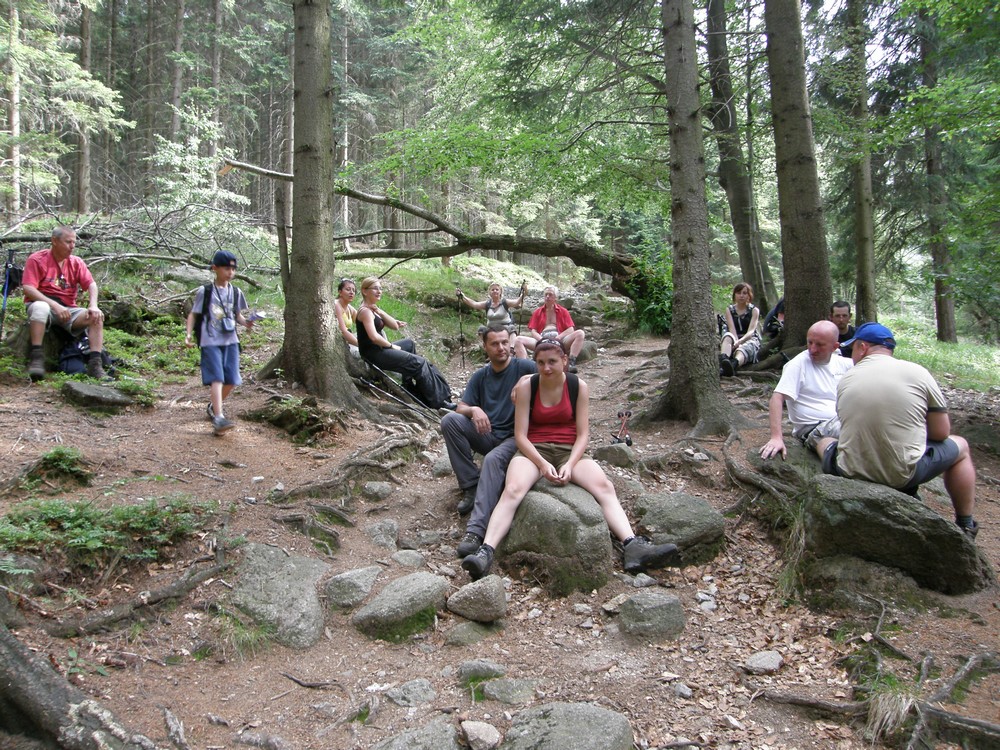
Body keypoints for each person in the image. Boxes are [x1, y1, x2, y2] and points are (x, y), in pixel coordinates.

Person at [461, 337, 682, 580]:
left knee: (604, 486)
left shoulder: (578, 386)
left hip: (569, 449)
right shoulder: (527, 387)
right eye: (541, 362)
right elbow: (520, 436)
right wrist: (543, 464)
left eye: (552, 362)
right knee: (513, 489)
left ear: (564, 360)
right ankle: (486, 552)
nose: (546, 368)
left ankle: (631, 545)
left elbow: (583, 434)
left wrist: (569, 464)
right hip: (534, 450)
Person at [816, 322, 979, 539]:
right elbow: (941, 433)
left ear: (862, 347)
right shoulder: (918, 373)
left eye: (852, 348)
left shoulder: (847, 378)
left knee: (824, 441)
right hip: (903, 475)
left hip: (848, 470)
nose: (851, 355)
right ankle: (965, 524)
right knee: (962, 447)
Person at [441, 327, 537, 542]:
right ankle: (470, 485)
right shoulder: (480, 376)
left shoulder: (524, 367)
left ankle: (477, 531)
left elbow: (553, 374)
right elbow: (461, 407)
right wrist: (474, 409)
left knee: (492, 460)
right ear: (485, 347)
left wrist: (525, 379)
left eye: (504, 342)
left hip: (516, 438)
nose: (501, 348)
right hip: (487, 434)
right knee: (450, 421)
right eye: (494, 344)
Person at [355, 277, 455, 410]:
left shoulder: (372, 309)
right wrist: (391, 346)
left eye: (380, 288)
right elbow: (374, 337)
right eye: (375, 288)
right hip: (374, 354)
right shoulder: (365, 312)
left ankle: (408, 386)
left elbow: (394, 326)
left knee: (409, 344)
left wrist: (379, 311)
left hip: (380, 349)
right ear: (364, 291)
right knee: (419, 363)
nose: (379, 291)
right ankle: (439, 403)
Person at [21, 226, 108, 380]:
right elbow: (28, 288)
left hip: (68, 309)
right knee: (41, 308)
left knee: (95, 316)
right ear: (54, 241)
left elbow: (91, 284)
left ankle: (95, 364)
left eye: (74, 242)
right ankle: (37, 357)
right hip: (42, 304)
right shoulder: (37, 259)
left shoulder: (76, 262)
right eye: (68, 242)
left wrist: (93, 305)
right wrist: (54, 305)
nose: (72, 246)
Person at [184, 250, 255, 436]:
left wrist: (247, 323)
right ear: (215, 268)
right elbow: (193, 314)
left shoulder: (236, 292)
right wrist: (188, 335)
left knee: (232, 379)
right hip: (210, 340)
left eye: (233, 269)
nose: (230, 272)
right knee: (217, 377)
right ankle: (219, 417)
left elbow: (237, 315)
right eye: (226, 268)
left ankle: (213, 407)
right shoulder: (205, 291)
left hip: (231, 340)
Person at [759, 321, 852, 460]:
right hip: (814, 427)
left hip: (840, 420)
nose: (812, 349)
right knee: (861, 431)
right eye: (810, 342)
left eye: (820, 345)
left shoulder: (845, 364)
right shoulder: (798, 364)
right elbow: (777, 398)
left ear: (835, 347)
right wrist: (776, 437)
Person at [519, 285, 586, 373]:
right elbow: (533, 331)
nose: (547, 297)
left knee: (580, 333)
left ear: (556, 298)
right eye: (546, 294)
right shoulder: (537, 312)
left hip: (560, 340)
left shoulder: (563, 311)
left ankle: (571, 362)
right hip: (541, 340)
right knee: (518, 340)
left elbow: (570, 329)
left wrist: (558, 337)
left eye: (550, 294)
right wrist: (541, 339)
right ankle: (527, 366)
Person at [456, 281, 528, 358]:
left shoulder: (505, 302)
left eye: (497, 289)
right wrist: (462, 296)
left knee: (512, 328)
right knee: (481, 330)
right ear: (489, 292)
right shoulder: (487, 304)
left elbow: (517, 302)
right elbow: (474, 304)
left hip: (505, 327)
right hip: (491, 329)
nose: (495, 291)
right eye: (492, 290)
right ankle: (489, 350)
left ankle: (511, 350)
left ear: (500, 292)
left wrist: (524, 292)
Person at [719, 282, 760, 376]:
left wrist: (740, 342)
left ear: (749, 295)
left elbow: (751, 331)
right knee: (727, 336)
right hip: (734, 337)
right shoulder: (730, 310)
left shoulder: (754, 310)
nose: (741, 296)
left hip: (749, 339)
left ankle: (733, 365)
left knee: (743, 349)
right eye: (738, 293)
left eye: (744, 293)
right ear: (734, 295)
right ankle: (724, 361)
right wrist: (736, 341)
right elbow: (732, 329)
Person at [334, 278, 359, 353]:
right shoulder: (336, 305)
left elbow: (362, 322)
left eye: (353, 290)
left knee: (380, 332)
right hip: (340, 344)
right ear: (340, 292)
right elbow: (343, 332)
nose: (351, 292)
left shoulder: (349, 308)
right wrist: (362, 346)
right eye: (348, 289)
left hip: (349, 340)